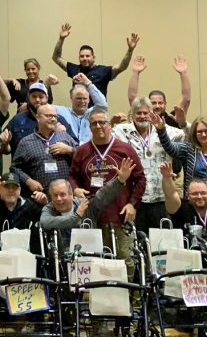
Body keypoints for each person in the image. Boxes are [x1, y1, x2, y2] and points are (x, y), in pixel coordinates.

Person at [68, 108, 145, 266]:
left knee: (126, 261)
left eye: (102, 122)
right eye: (94, 123)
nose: (98, 126)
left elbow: (140, 179)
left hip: (120, 214)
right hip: (92, 217)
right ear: (90, 127)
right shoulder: (82, 151)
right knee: (94, 260)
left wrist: (133, 204)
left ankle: (128, 291)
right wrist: (74, 188)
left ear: (110, 125)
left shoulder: (125, 149)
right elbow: (72, 177)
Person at [113, 97, 185, 231]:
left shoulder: (168, 131)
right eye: (138, 113)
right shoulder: (121, 131)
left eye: (146, 113)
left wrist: (183, 123)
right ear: (132, 115)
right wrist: (111, 122)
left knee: (161, 244)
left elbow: (189, 137)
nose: (142, 116)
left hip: (160, 197)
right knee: (136, 242)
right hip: (134, 198)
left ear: (152, 113)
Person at [40, 158, 134, 254]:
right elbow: (45, 222)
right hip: (61, 260)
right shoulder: (49, 208)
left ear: (71, 194)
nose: (59, 199)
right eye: (55, 195)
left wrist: (120, 180)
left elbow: (103, 195)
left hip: (90, 257)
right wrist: (76, 217)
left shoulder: (84, 204)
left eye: (62, 194)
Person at [52, 22, 139, 98]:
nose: (85, 58)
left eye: (87, 56)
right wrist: (61, 39)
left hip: (98, 113)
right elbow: (56, 58)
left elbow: (122, 67)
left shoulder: (103, 71)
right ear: (79, 58)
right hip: (79, 113)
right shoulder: (74, 69)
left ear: (93, 57)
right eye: (82, 56)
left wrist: (130, 50)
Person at [11, 104, 78, 202]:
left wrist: (69, 150)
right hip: (40, 198)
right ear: (38, 117)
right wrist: (29, 181)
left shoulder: (65, 136)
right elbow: (15, 167)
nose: (53, 119)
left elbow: (83, 156)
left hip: (65, 197)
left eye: (55, 116)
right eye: (49, 116)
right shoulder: (25, 142)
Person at [0, 173, 44, 253]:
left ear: (19, 190)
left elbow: (47, 218)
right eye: (6, 186)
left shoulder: (29, 205)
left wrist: (45, 202)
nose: (10, 190)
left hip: (24, 257)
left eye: (14, 187)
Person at [2, 83, 74, 155]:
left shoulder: (58, 119)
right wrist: (5, 145)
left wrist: (67, 146)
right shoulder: (17, 120)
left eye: (41, 97)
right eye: (34, 96)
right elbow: (6, 151)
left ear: (47, 98)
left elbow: (76, 148)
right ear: (28, 98)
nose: (37, 99)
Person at [127, 55, 191, 129]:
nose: (157, 106)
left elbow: (186, 99)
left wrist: (183, 74)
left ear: (165, 104)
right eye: (153, 103)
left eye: (160, 103)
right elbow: (132, 98)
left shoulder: (173, 118)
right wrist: (136, 73)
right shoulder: (143, 119)